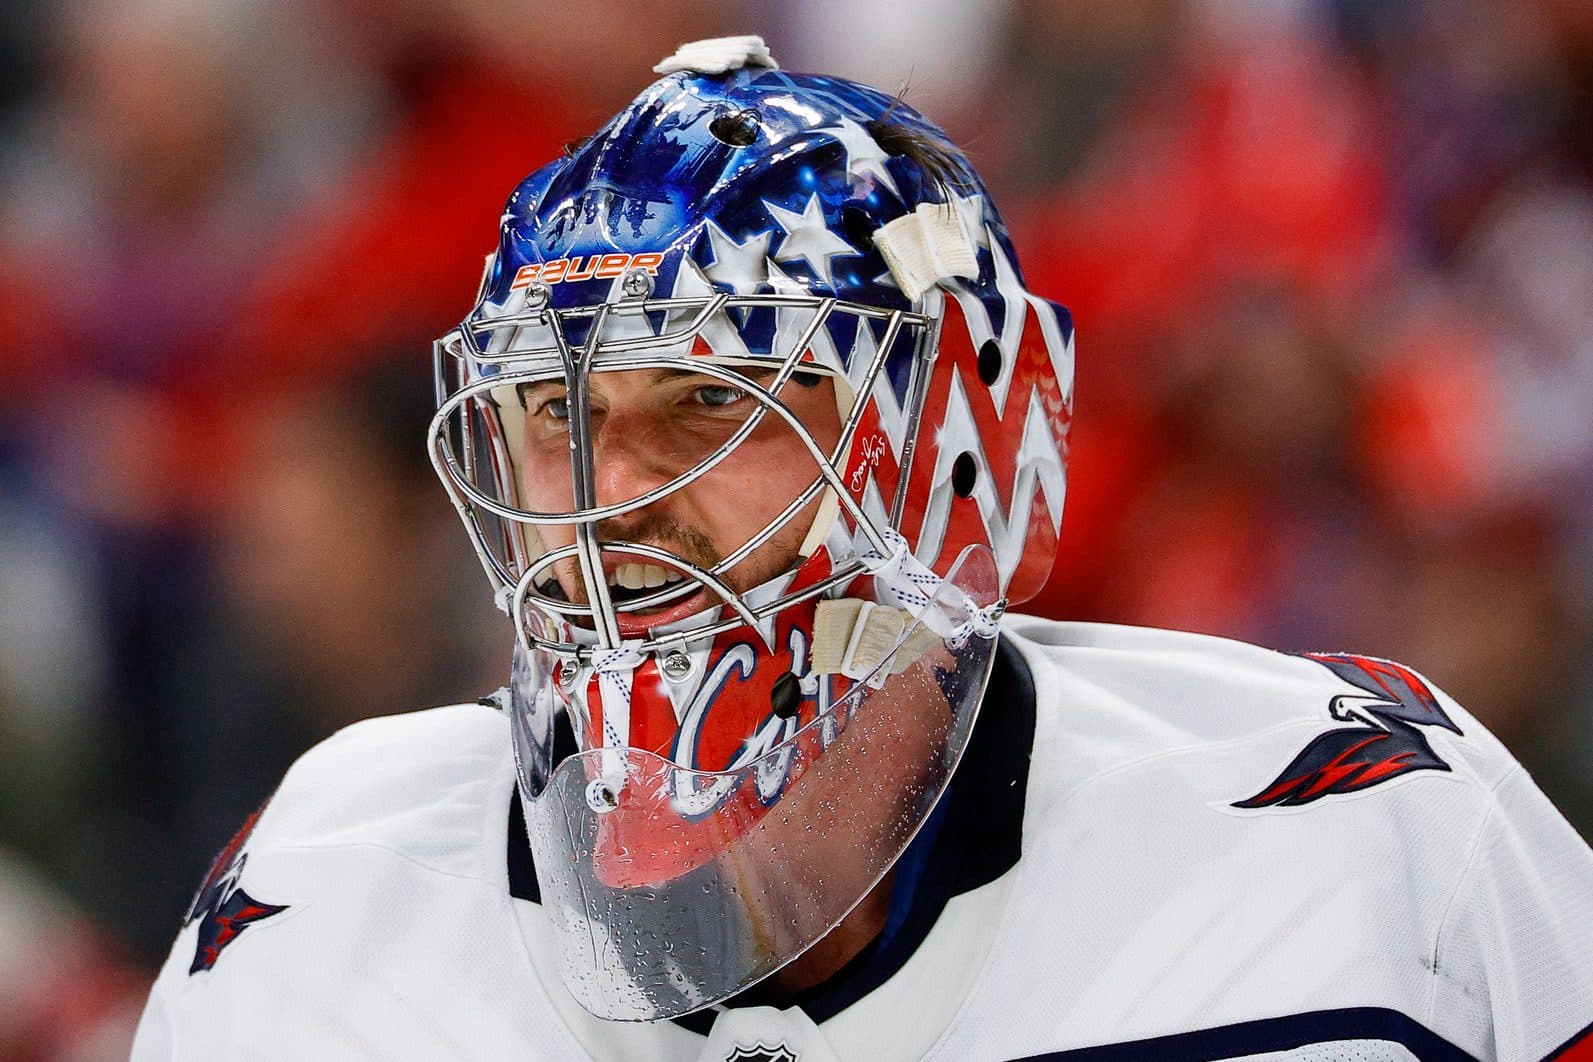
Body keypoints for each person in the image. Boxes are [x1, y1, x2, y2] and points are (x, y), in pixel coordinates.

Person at [133, 37, 1593, 1062]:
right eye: (549, 412)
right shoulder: (322, 893)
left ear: (955, 432)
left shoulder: (1357, 834)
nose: (603, 498)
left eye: (714, 397)